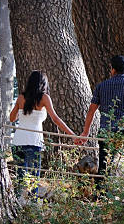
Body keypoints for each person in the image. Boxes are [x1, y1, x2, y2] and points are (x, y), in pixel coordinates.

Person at [76, 55, 124, 193]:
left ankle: (100, 194)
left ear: (113, 69)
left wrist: (85, 132)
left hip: (106, 131)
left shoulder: (101, 86)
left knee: (105, 164)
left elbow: (91, 110)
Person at [10, 70, 76, 199]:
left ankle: (18, 203)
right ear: (43, 83)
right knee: (34, 177)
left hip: (18, 141)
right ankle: (33, 206)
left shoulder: (21, 98)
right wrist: (72, 135)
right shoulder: (44, 98)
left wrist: (20, 111)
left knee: (20, 177)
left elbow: (12, 118)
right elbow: (55, 119)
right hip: (33, 142)